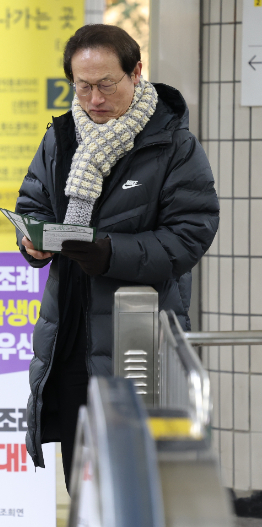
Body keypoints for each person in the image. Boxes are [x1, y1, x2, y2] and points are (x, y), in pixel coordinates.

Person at [15, 24, 219, 492]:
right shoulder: (63, 135)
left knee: (134, 482)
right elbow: (34, 204)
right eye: (82, 86)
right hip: (67, 335)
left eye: (106, 84)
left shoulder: (173, 145)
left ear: (136, 72)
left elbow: (190, 236)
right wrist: (33, 242)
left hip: (135, 340)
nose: (94, 98)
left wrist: (108, 253)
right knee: (82, 481)